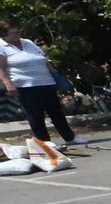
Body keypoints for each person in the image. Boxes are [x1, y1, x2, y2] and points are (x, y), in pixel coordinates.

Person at [0, 17, 81, 147]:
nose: (17, 36)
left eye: (18, 32)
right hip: (25, 85)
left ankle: (70, 137)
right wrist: (8, 84)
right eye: (13, 33)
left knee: (56, 112)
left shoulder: (27, 42)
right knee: (35, 114)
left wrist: (55, 74)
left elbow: (43, 59)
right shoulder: (1, 46)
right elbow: (1, 68)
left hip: (45, 82)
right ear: (4, 35)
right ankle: (45, 142)